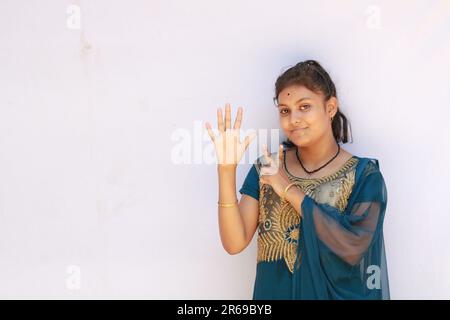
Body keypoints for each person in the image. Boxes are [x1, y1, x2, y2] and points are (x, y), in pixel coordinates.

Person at [204, 60, 389, 300]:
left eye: (304, 107)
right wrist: (226, 170)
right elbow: (234, 243)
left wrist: (288, 189)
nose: (294, 119)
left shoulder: (364, 176)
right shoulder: (267, 168)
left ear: (330, 107)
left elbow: (353, 247)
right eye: (285, 110)